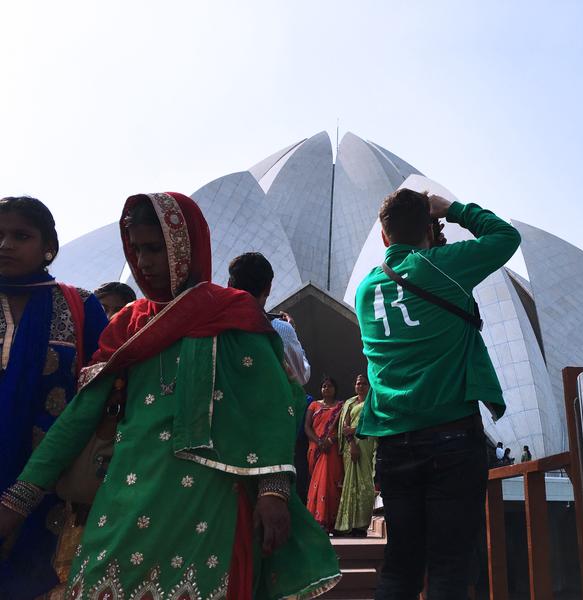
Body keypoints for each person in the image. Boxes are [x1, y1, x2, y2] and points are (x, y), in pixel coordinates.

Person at [0, 192, 339, 598]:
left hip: (207, 496)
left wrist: (273, 492)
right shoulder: (129, 324)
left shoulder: (231, 315)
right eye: (138, 250)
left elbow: (269, 406)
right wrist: (21, 497)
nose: (144, 263)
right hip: (127, 491)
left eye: (156, 249)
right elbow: (81, 414)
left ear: (186, 245)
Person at [354, 188, 521, 599]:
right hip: (450, 435)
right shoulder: (443, 266)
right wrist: (454, 210)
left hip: (393, 442)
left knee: (401, 566)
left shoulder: (365, 290)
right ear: (430, 229)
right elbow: (505, 238)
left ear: (383, 236)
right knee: (450, 565)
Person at [0, 196, 108, 599]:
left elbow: (104, 389)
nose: (5, 245)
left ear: (48, 246)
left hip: (52, 484)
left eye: (20, 235)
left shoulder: (79, 305)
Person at [228, 252, 311, 384]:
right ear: (268, 288)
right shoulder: (280, 329)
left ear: (229, 284)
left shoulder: (211, 325)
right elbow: (300, 376)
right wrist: (292, 332)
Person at [335, 374, 376, 537]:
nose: (361, 386)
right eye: (358, 383)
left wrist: (356, 430)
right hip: (351, 444)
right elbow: (345, 426)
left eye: (364, 384)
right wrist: (352, 442)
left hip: (367, 442)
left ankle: (362, 524)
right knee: (350, 483)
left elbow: (373, 421)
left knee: (365, 482)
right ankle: (348, 524)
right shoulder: (349, 403)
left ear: (369, 385)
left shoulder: (373, 401)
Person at [304, 376, 344, 533]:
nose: (326, 389)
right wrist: (319, 442)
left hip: (332, 448)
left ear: (335, 389)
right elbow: (307, 428)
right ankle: (317, 519)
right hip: (317, 448)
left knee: (331, 482)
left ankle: (332, 521)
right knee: (317, 481)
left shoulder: (341, 407)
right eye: (324, 386)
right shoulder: (314, 405)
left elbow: (341, 428)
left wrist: (331, 440)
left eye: (329, 386)